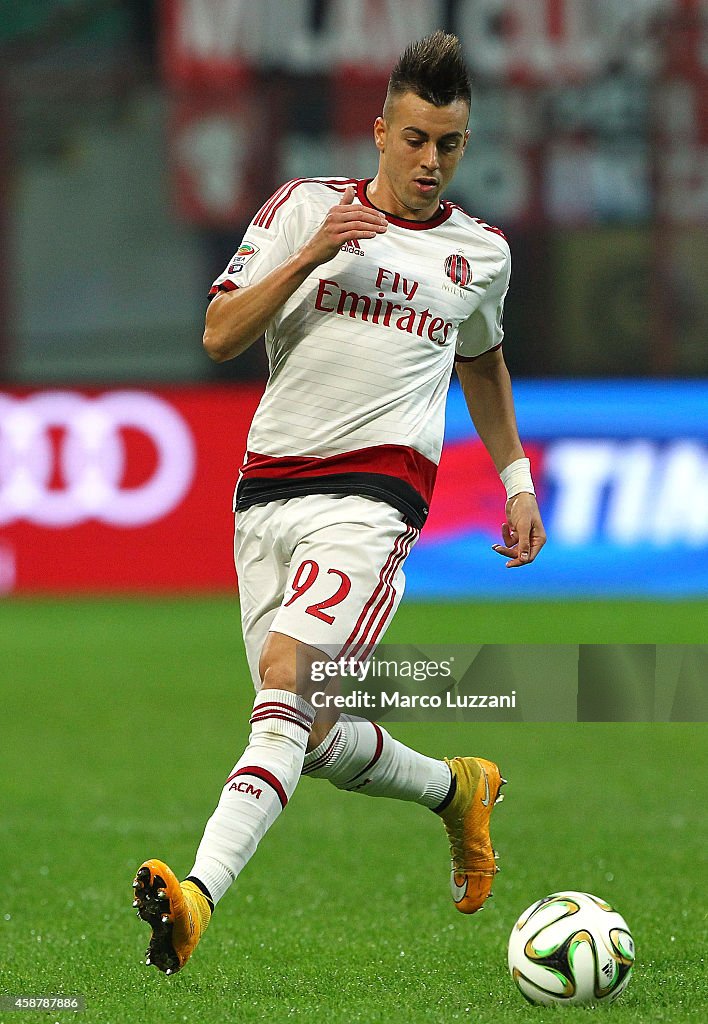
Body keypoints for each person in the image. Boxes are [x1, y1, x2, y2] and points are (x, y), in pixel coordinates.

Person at [132, 30, 546, 975]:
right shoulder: (301, 210)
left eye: (449, 144)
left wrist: (517, 481)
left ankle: (196, 897)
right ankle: (456, 791)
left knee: (285, 682)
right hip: (266, 497)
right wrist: (313, 253)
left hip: (375, 501)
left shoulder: (479, 254)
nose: (430, 162)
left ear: (464, 146)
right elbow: (219, 333)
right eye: (414, 139)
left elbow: (482, 362)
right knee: (305, 736)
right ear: (379, 132)